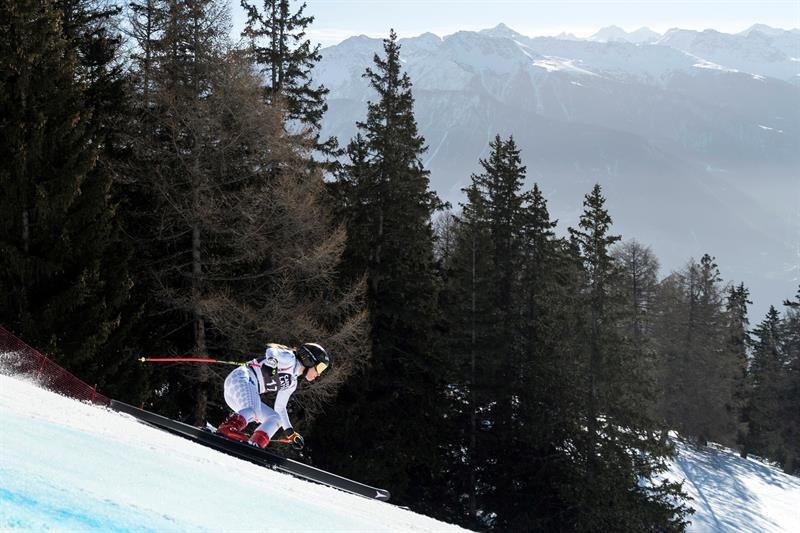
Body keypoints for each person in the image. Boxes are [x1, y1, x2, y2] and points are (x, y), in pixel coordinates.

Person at [216, 342, 330, 449]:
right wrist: (272, 362)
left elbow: (280, 407)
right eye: (320, 367)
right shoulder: (290, 359)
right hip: (241, 378)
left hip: (240, 395)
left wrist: (290, 433)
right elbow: (271, 351)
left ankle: (256, 444)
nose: (319, 373)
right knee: (254, 409)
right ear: (309, 359)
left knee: (275, 418)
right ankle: (227, 428)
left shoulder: (292, 383)